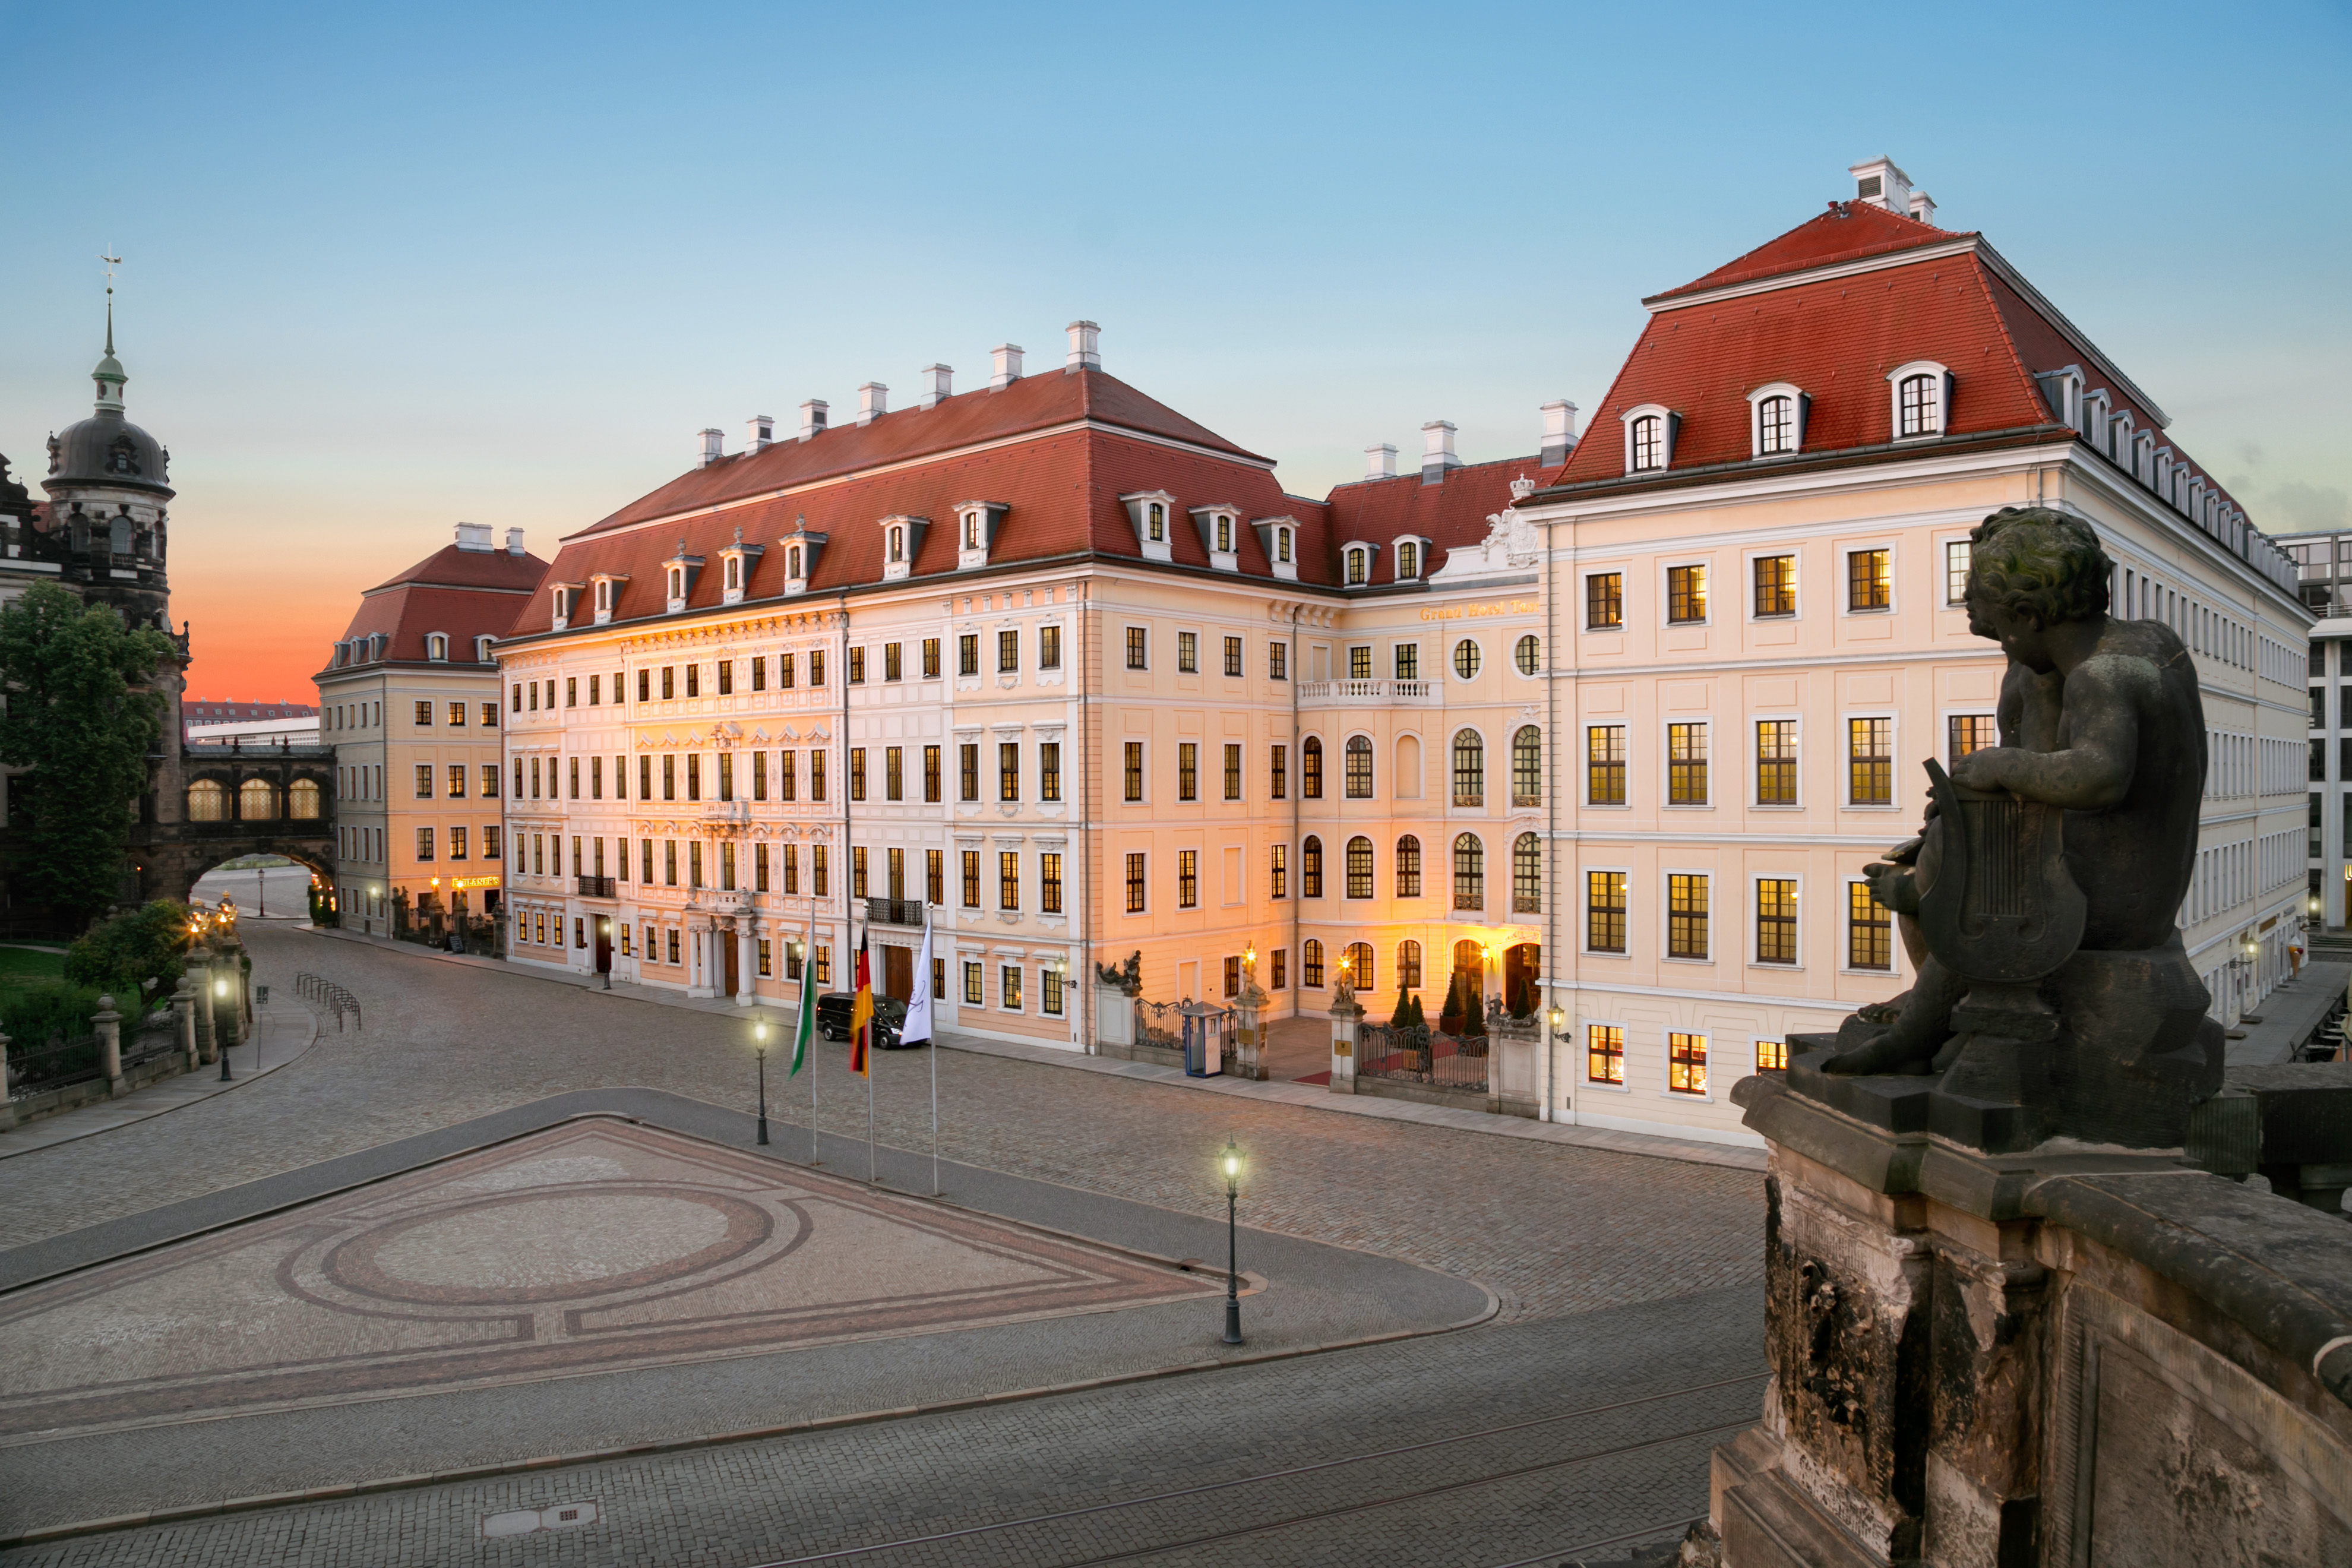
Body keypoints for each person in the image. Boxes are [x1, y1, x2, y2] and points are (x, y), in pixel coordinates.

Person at [1828, 507, 2206, 1075]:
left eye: (1994, 623)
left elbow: (2099, 775)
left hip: (2111, 901)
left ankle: (1914, 1034)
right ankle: (1938, 991)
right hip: (2120, 878)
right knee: (1942, 845)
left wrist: (2002, 765)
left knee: (1958, 886)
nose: (1987, 634)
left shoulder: (2102, 676)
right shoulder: (2145, 643)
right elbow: (2052, 761)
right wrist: (2035, 682)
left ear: (2028, 615)